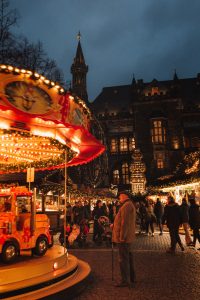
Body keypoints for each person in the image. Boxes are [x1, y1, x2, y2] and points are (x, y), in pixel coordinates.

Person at [112, 191, 136, 288]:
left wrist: (122, 237)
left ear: (124, 196)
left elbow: (125, 223)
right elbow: (122, 221)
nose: (119, 198)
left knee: (123, 259)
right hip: (126, 237)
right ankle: (131, 277)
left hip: (123, 238)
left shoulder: (126, 206)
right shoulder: (128, 205)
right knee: (128, 257)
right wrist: (114, 225)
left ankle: (125, 280)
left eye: (120, 197)